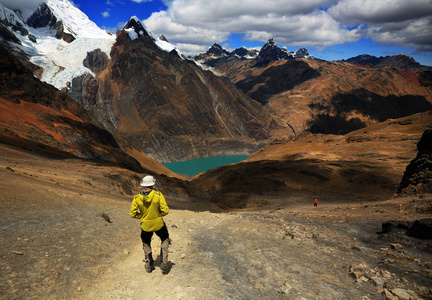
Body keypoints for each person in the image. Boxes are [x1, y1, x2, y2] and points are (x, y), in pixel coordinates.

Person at [130, 175, 170, 274]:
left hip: (145, 225)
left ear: (143, 185)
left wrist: (143, 217)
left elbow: (132, 213)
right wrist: (157, 215)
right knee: (165, 238)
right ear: (152, 184)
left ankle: (149, 264)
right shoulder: (158, 195)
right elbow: (165, 211)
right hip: (158, 224)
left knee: (146, 242)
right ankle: (164, 263)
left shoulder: (137, 198)